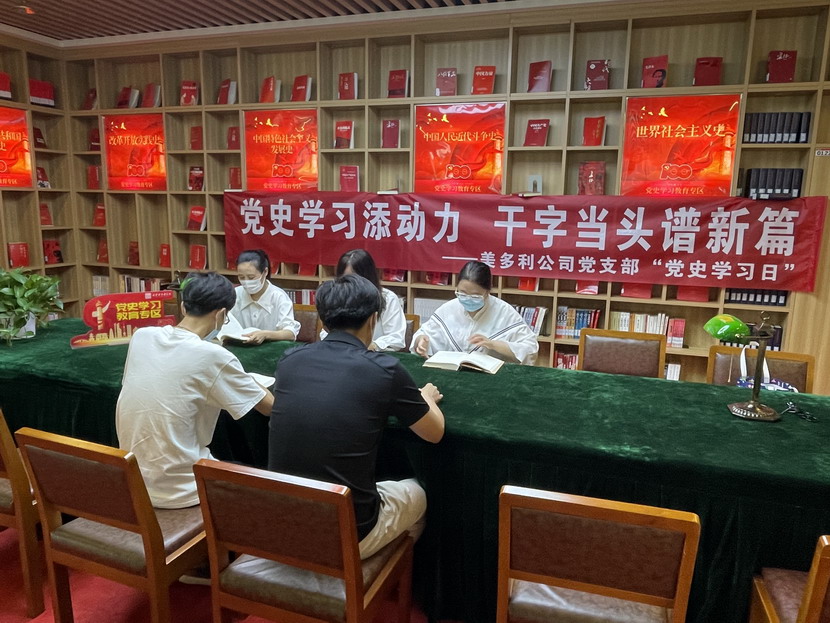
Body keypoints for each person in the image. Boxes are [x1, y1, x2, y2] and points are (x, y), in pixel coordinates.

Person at [269, 274, 444, 559]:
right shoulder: (384, 369)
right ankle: (386, 570)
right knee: (419, 492)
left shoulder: (290, 359)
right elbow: (434, 433)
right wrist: (425, 397)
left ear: (322, 321)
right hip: (349, 532)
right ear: (373, 319)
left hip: (284, 523)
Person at [116, 272, 275, 509]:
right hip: (182, 489)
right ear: (221, 314)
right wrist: (249, 380)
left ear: (183, 306)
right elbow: (269, 407)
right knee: (260, 483)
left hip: (134, 480)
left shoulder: (142, 336)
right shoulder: (214, 356)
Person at [411, 260, 538, 365]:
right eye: (462, 293)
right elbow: (423, 335)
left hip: (491, 377)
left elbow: (530, 349)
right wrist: (420, 341)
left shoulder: (504, 312)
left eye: (475, 295)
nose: (468, 299)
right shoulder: (449, 309)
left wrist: (493, 344)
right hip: (450, 371)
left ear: (487, 292)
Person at [319, 249, 407, 351]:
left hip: (373, 354)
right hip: (341, 351)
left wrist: (375, 345)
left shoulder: (387, 298)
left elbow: (396, 337)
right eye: (347, 279)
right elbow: (325, 332)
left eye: (356, 278)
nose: (352, 284)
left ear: (368, 276)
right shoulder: (337, 297)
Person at [230, 249, 300, 344]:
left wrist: (266, 335)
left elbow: (290, 333)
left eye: (251, 277)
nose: (246, 282)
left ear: (265, 272)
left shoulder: (279, 297)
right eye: (241, 277)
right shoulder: (235, 294)